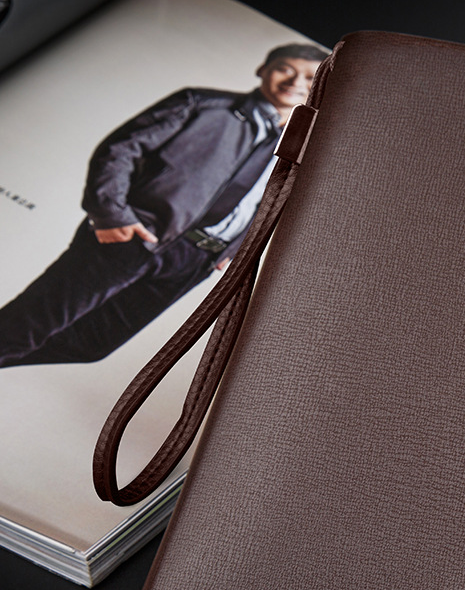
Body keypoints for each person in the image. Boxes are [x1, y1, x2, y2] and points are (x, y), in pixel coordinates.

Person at [0, 42, 327, 368]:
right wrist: (111, 214)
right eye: (286, 69)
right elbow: (120, 150)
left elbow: (268, 203)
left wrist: (235, 249)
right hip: (138, 236)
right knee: (27, 327)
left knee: (91, 345)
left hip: (195, 260)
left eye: (309, 77)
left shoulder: (302, 148)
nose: (295, 82)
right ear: (263, 70)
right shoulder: (200, 104)